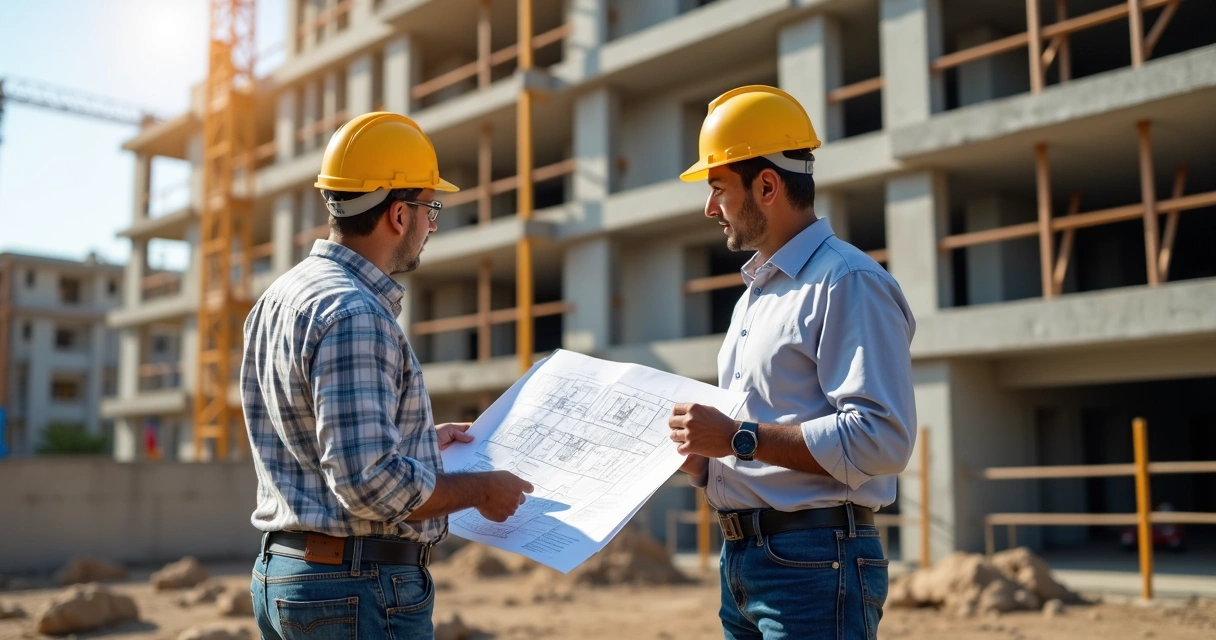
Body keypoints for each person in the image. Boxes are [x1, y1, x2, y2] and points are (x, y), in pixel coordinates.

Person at [241, 112, 533, 640]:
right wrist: (481, 489)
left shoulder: (278, 298)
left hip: (292, 575)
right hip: (355, 588)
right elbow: (368, 482)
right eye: (431, 208)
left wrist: (417, 441)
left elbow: (318, 442)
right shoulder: (355, 314)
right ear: (399, 214)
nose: (433, 224)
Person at [668, 86, 917, 640]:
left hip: (815, 562)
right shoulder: (756, 295)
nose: (710, 208)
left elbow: (882, 438)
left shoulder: (847, 282)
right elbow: (751, 435)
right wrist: (702, 461)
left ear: (766, 185)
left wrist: (737, 438)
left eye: (718, 189)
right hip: (745, 561)